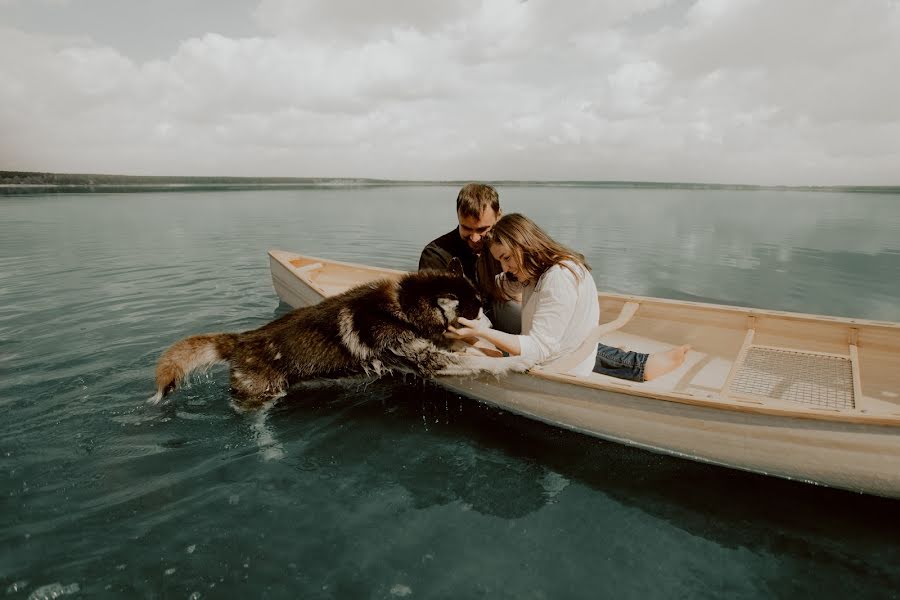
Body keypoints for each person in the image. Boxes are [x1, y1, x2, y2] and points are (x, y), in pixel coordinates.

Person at [447, 213, 690, 380]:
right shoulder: (541, 270)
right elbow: (502, 285)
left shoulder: (558, 278)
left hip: (559, 367)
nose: (505, 267)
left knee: (475, 352)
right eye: (500, 260)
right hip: (563, 350)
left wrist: (479, 332)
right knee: (482, 344)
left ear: (525, 246)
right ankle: (640, 363)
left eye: (507, 258)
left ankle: (641, 367)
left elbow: (539, 349)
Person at [419, 183, 521, 333]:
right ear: (458, 215)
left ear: (499, 216)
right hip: (461, 324)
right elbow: (433, 312)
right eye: (466, 228)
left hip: (497, 309)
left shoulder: (507, 247)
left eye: (482, 229)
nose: (474, 238)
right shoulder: (435, 254)